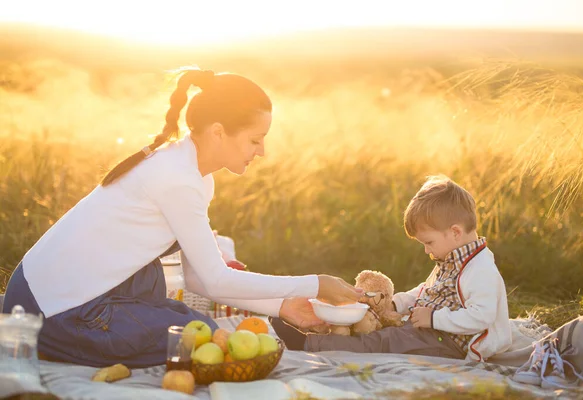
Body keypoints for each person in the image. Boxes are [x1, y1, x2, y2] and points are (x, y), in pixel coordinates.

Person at [2, 67, 361, 368]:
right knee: (196, 335)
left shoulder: (192, 173)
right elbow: (215, 280)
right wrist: (316, 284)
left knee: (190, 324)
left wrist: (284, 306)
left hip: (53, 294)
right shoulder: (177, 178)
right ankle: (65, 346)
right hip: (47, 315)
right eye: (255, 140)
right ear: (218, 131)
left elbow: (200, 280)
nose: (262, 151)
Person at [272, 175, 512, 362]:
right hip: (431, 329)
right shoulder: (453, 258)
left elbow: (481, 317)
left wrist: (434, 318)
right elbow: (427, 291)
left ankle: (306, 344)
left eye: (429, 242)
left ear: (456, 232)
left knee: (384, 341)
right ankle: (319, 331)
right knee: (369, 325)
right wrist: (397, 303)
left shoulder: (481, 271)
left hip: (450, 345)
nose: (427, 251)